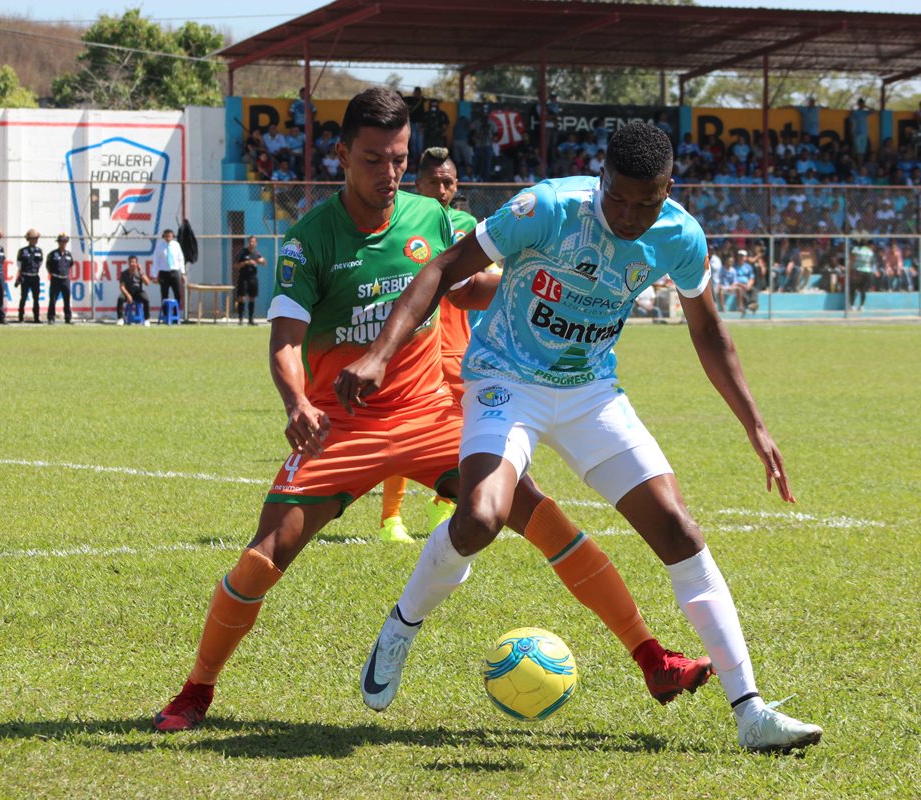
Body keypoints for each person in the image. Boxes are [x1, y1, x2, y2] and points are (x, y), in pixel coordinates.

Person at [153, 88, 711, 734]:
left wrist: (542, 281)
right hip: (344, 427)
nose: (388, 175)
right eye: (372, 160)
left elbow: (478, 281)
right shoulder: (310, 240)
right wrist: (297, 400)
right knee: (261, 559)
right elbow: (283, 341)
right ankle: (197, 690)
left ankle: (651, 656)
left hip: (435, 419)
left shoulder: (434, 218)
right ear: (341, 156)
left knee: (544, 519)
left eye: (398, 160)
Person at [337, 121, 823, 753]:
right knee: (480, 518)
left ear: (666, 190)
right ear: (600, 180)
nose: (627, 216)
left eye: (644, 203)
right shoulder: (546, 208)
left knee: (678, 529)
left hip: (591, 391)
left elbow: (709, 332)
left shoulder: (680, 235)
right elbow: (444, 271)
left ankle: (751, 710)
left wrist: (755, 426)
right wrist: (380, 353)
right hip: (506, 378)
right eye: (616, 198)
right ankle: (403, 623)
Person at [378, 146, 476, 544]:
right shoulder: (399, 223)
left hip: (456, 347)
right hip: (414, 349)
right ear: (415, 184)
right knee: (403, 435)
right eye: (433, 182)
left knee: (464, 433)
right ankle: (391, 519)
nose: (441, 189)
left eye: (447, 182)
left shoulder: (466, 223)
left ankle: (444, 503)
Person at [233, 236, 265, 325]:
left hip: (253, 278)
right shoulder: (243, 252)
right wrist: (246, 262)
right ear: (248, 242)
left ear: (256, 243)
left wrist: (261, 261)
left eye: (253, 242)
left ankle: (251, 320)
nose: (252, 243)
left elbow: (264, 262)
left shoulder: (256, 253)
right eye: (250, 241)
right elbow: (235, 265)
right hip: (243, 277)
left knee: (252, 298)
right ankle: (240, 319)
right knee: (242, 298)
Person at [154, 229, 186, 314]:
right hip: (164, 273)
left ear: (172, 236)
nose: (168, 237)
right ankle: (166, 315)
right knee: (164, 295)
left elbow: (181, 259)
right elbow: (156, 260)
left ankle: (176, 315)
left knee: (178, 294)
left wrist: (183, 273)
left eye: (170, 235)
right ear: (163, 236)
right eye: (166, 235)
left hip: (175, 272)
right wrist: (155, 275)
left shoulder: (176, 245)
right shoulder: (160, 246)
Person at [15, 230, 43, 323]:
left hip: (35, 277)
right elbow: (19, 264)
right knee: (23, 297)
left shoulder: (39, 251)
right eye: (32, 239)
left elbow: (40, 263)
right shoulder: (23, 251)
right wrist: (20, 276)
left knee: (36, 298)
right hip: (25, 277)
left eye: (36, 239)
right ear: (29, 239)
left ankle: (36, 317)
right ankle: (20, 316)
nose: (34, 240)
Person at [46, 233, 73, 325]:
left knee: (67, 299)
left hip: (65, 279)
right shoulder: (53, 254)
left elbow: (70, 264)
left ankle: (68, 318)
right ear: (58, 242)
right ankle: (51, 318)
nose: (63, 243)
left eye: (65, 242)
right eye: (61, 241)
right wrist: (52, 273)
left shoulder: (68, 254)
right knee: (53, 299)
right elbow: (48, 265)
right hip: (56, 279)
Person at [116, 255, 150, 326]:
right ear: (128, 263)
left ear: (136, 263)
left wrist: (141, 272)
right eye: (130, 262)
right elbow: (122, 286)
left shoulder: (140, 272)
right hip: (128, 291)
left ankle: (146, 319)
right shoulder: (124, 273)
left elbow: (147, 283)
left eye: (133, 262)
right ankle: (120, 319)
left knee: (146, 299)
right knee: (120, 299)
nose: (132, 264)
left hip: (138, 292)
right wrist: (128, 295)